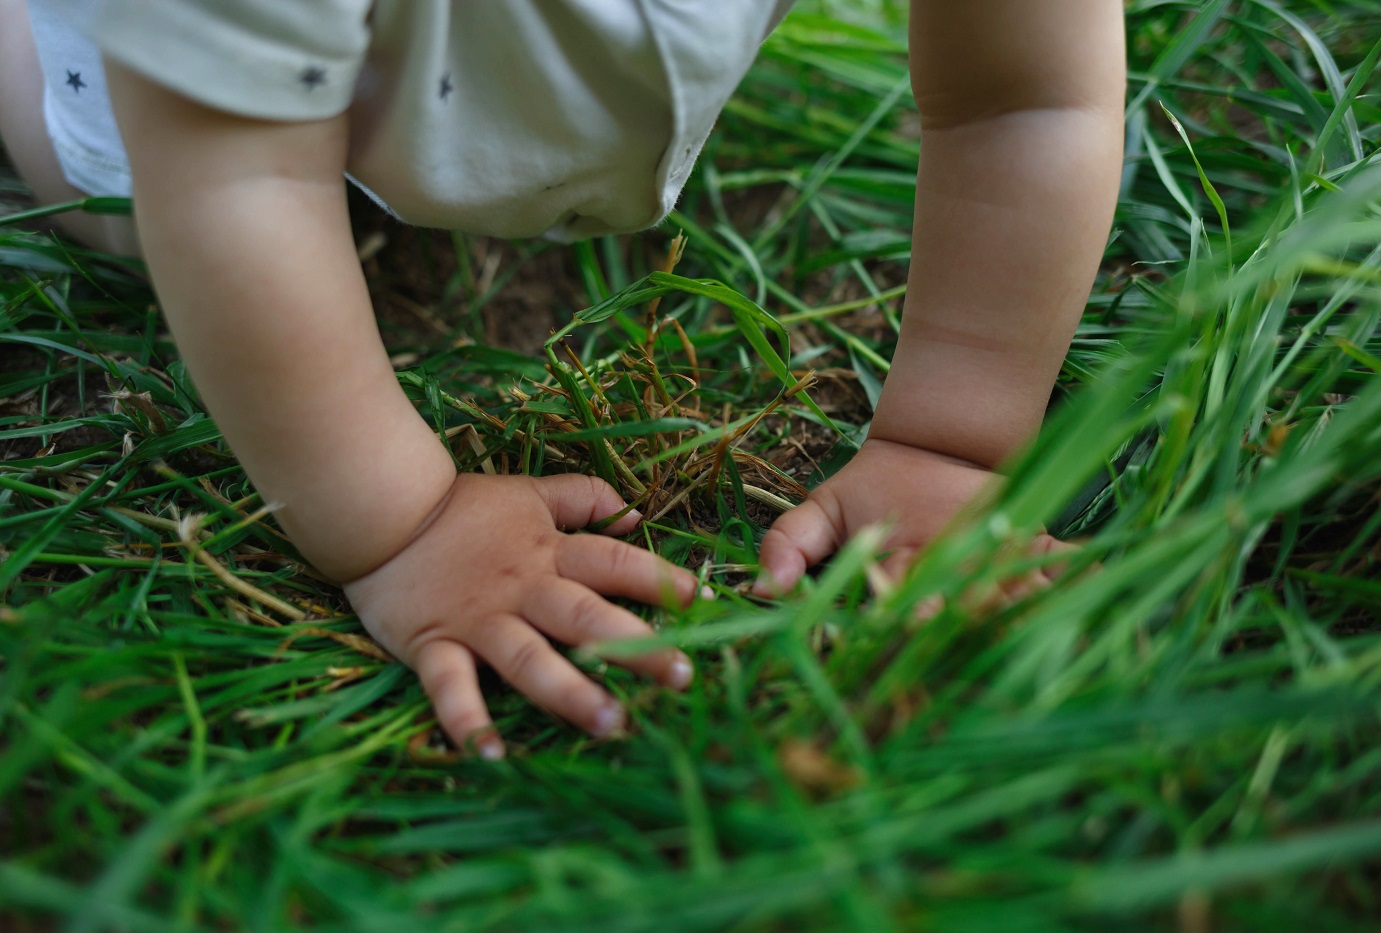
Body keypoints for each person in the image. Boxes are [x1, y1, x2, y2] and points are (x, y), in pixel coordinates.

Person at [0, 0, 1126, 759]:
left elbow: (1021, 94)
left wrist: (950, 438)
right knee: (129, 221)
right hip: (184, 65)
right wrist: (402, 525)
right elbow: (233, 179)